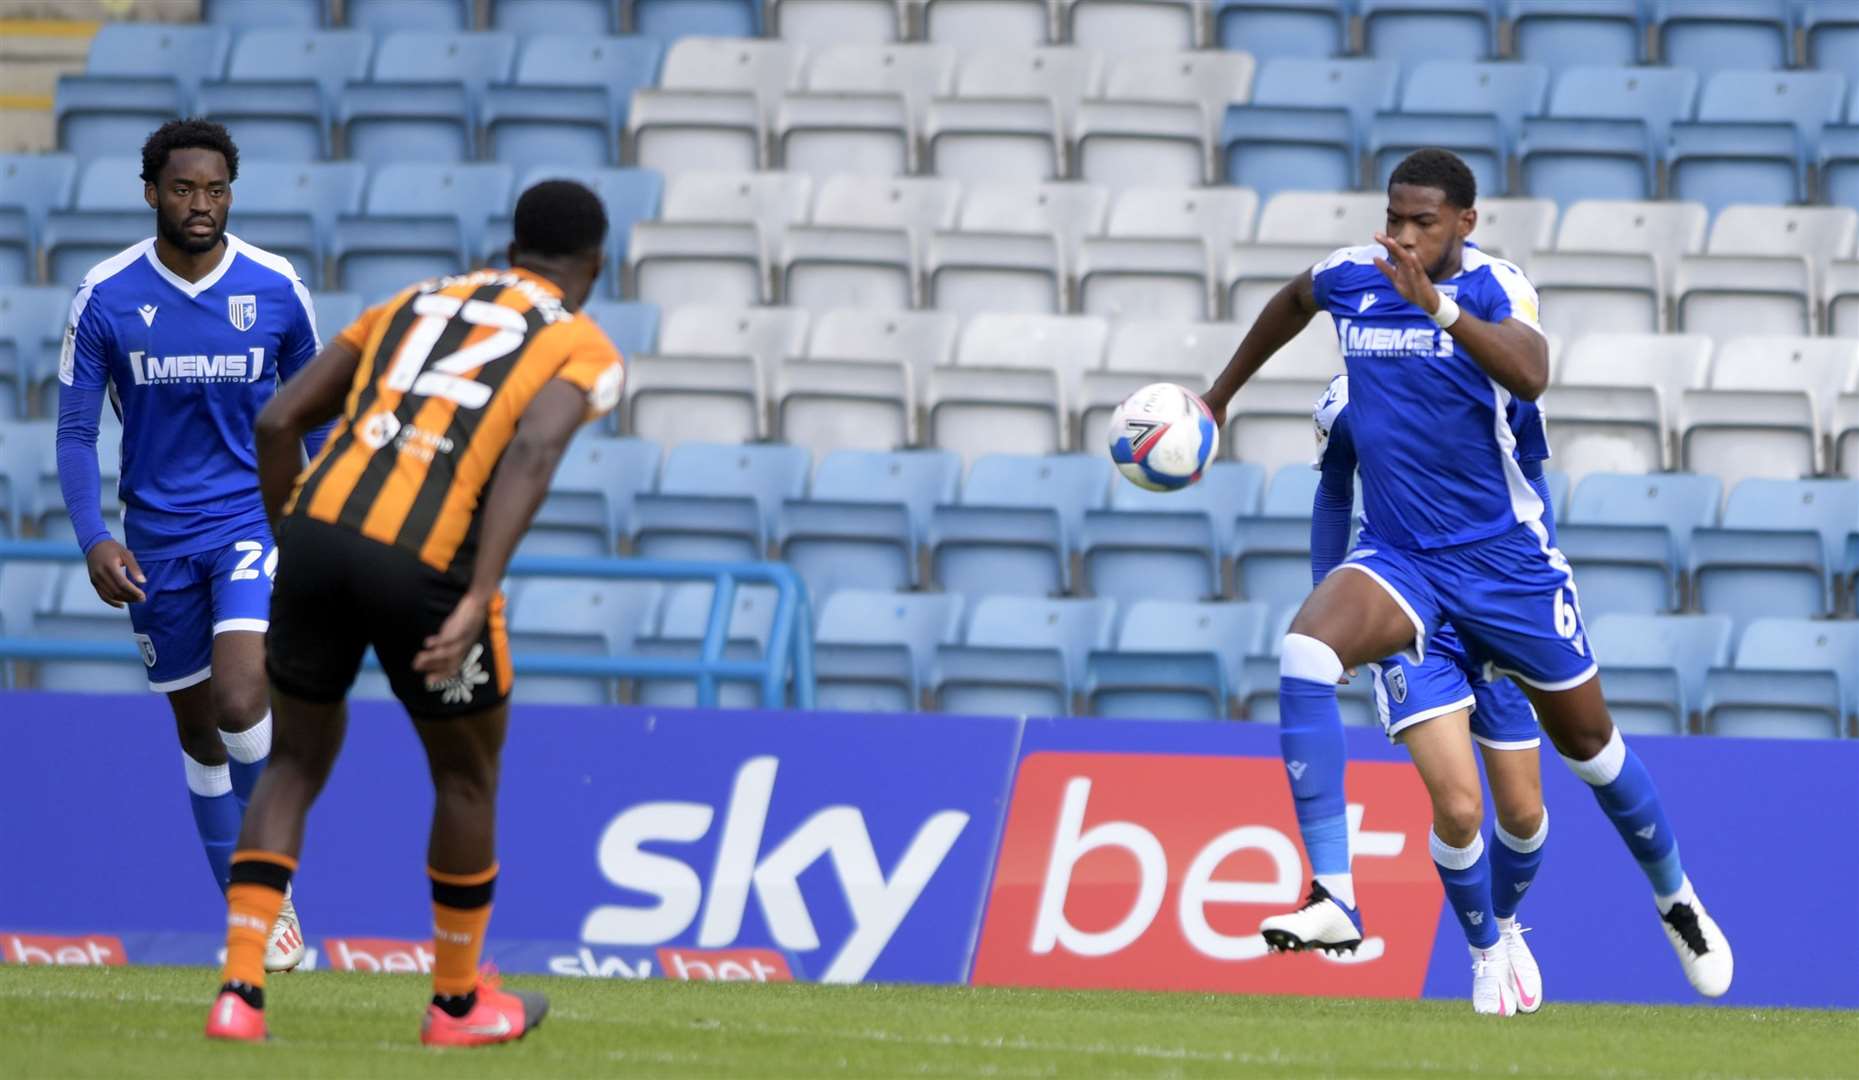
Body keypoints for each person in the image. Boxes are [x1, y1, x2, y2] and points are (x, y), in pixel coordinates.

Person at [1203, 148, 1733, 1000]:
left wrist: (1439, 308)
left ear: (1463, 223)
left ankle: (1675, 899)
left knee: (1586, 754)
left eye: (1423, 221)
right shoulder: (1352, 278)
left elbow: (1530, 372)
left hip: (1505, 566)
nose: (1403, 236)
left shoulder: (1494, 289)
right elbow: (1292, 301)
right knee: (1307, 657)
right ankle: (1339, 895)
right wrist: (1216, 398)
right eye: (1394, 218)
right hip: (1402, 565)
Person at [203, 179, 625, 1047]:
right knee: (466, 775)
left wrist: (298, 536)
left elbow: (280, 419)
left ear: (511, 246)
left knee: (290, 765)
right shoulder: (582, 344)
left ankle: (239, 994)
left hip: (317, 536)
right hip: (428, 566)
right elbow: (537, 448)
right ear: (593, 265)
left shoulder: (411, 301)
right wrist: (477, 591)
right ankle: (460, 1003)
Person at [56, 118, 316, 972]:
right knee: (201, 737)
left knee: (242, 701)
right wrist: (94, 538)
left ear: (230, 194)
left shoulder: (276, 287)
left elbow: (315, 412)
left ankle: (271, 890)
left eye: (215, 190)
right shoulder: (104, 295)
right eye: (182, 189)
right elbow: (72, 432)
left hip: (249, 523)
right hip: (155, 540)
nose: (200, 205)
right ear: (150, 193)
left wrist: (312, 524)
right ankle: (256, 924)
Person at [1273, 372, 1551, 1016]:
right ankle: (1483, 950)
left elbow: (1532, 481)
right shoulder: (1347, 402)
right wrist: (1329, 606)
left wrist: (1544, 581)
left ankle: (1505, 923)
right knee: (1459, 809)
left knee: (1524, 816)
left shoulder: (1504, 384)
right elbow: (1334, 497)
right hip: (1409, 614)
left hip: (1496, 608)